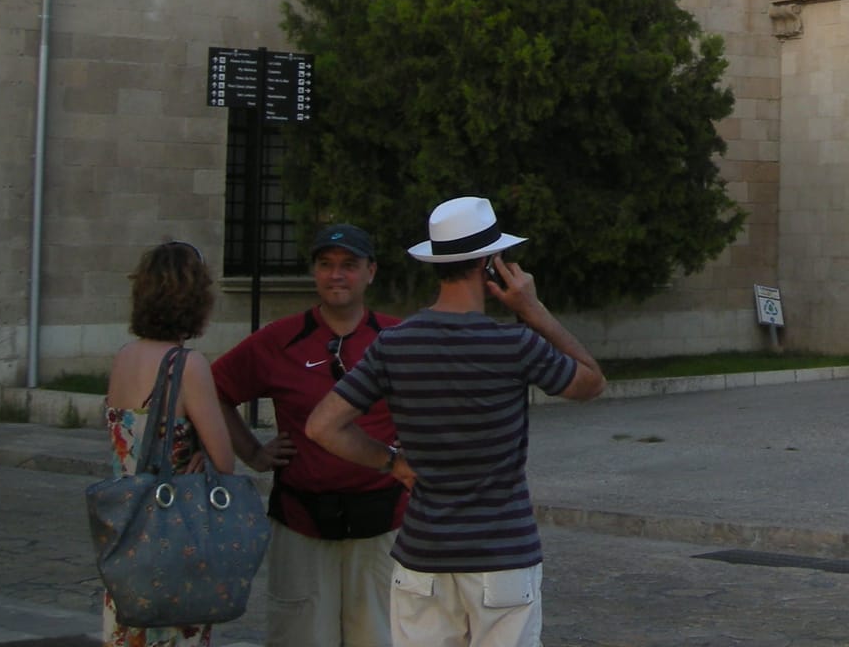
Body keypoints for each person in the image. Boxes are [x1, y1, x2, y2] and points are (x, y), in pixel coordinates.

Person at [306, 196, 605, 647]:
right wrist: (533, 309)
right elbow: (590, 382)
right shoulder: (514, 343)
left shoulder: (395, 344)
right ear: (490, 265)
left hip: (423, 555)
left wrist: (391, 463)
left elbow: (323, 426)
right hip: (503, 552)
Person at [212, 224, 404, 647]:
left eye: (348, 266)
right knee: (300, 635)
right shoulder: (280, 340)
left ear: (370, 272)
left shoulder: (397, 339)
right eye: (326, 265)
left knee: (381, 636)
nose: (336, 275)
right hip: (302, 523)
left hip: (382, 522)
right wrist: (252, 452)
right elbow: (215, 390)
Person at [101, 240, 238, 647]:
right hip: (173, 535)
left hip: (127, 532)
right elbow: (225, 460)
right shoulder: (187, 365)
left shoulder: (124, 358)